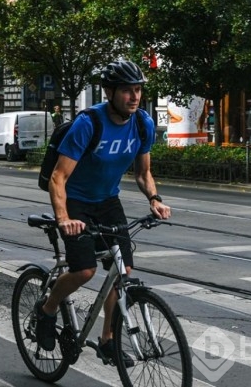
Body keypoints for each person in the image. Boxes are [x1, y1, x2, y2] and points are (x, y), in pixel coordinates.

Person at [35, 60, 171, 366]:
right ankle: (47, 309)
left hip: (108, 201)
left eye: (137, 90)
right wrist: (64, 219)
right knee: (85, 270)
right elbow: (59, 177)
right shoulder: (89, 124)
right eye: (127, 91)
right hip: (76, 201)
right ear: (109, 92)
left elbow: (143, 172)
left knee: (121, 271)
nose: (134, 96)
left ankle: (108, 340)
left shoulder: (142, 123)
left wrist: (155, 198)